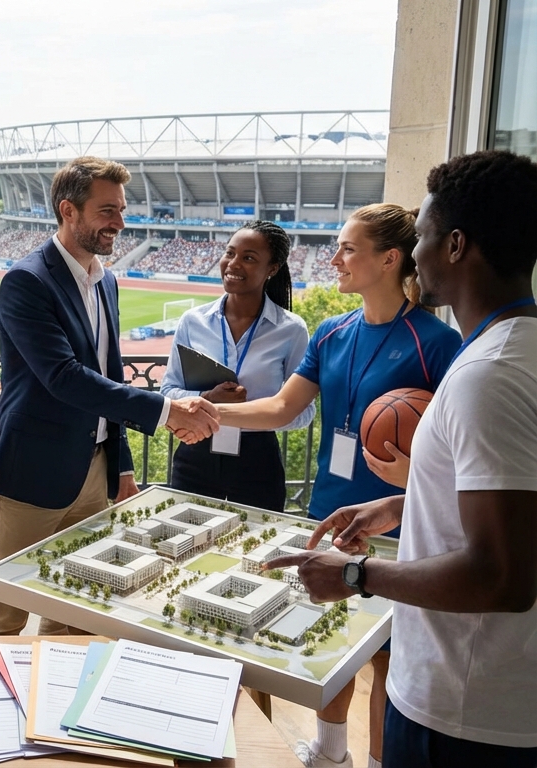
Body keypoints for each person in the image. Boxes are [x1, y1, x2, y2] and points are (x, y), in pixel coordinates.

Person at [267, 150, 537, 768]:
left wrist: (355, 577)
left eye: (423, 236)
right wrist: (402, 504)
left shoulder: (485, 374)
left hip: (463, 708)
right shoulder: (517, 352)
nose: (415, 252)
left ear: (456, 245)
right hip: (495, 697)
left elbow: (503, 575)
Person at [218, 203, 462, 768]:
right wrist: (206, 413)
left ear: (389, 259)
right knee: (334, 639)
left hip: (400, 522)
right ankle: (330, 754)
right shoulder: (331, 332)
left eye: (349, 249)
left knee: (387, 659)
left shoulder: (436, 343)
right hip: (329, 513)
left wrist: (415, 475)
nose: (335, 259)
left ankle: (379, 761)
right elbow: (281, 408)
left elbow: (454, 447)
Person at [0, 156, 218, 637]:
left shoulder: (105, 279)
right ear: (69, 210)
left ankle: (55, 709)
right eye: (107, 211)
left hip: (97, 469)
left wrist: (121, 464)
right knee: (6, 615)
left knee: (78, 610)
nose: (120, 223)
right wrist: (167, 411)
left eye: (121, 210)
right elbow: (64, 377)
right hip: (33, 472)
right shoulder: (26, 281)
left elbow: (108, 369)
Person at [161, 221, 314, 512]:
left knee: (255, 551)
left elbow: (304, 413)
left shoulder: (291, 330)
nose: (233, 264)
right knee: (182, 545)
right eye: (229, 253)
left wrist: (251, 412)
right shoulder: (193, 321)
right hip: (197, 451)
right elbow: (168, 390)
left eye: (249, 258)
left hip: (257, 460)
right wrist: (207, 401)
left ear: (273, 268)